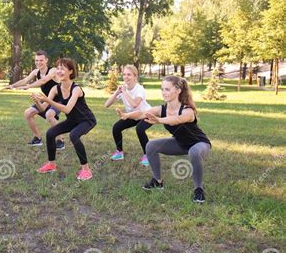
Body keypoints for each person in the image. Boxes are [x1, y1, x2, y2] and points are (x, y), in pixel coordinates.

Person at [118, 75, 211, 203]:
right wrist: (127, 115)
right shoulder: (161, 109)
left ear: (178, 91)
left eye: (167, 89)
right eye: (162, 89)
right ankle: (157, 181)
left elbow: (177, 120)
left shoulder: (187, 110)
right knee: (151, 145)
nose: (163, 92)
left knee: (194, 152)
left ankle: (199, 190)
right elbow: (141, 113)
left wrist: (159, 120)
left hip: (199, 144)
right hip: (180, 143)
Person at [32, 58, 97, 180]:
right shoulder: (55, 89)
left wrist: (48, 100)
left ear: (70, 72)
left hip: (86, 120)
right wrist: (38, 101)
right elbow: (43, 108)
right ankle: (51, 164)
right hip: (72, 120)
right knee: (50, 133)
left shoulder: (76, 89)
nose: (59, 71)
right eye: (58, 68)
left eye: (63, 68)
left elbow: (67, 109)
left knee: (74, 135)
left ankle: (86, 170)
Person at [3, 50, 64, 149]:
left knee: (49, 116)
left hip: (59, 100)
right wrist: (11, 86)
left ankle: (60, 140)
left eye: (41, 60)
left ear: (46, 60)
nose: (38, 63)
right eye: (36, 60)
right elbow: (25, 80)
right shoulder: (36, 72)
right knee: (28, 113)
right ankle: (37, 138)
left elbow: (43, 81)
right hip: (46, 99)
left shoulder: (53, 71)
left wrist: (28, 86)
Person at [105, 64, 152, 166]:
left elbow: (135, 104)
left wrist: (125, 92)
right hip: (132, 115)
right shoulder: (123, 89)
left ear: (135, 76)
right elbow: (107, 104)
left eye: (129, 75)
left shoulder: (139, 89)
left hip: (146, 114)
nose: (126, 77)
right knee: (116, 127)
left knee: (140, 129)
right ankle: (119, 152)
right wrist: (116, 92)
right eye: (124, 74)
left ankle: (148, 155)